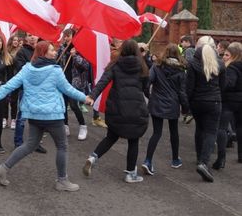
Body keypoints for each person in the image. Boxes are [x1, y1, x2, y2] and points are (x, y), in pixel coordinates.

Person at [0, 41, 93, 192]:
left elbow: (10, 84)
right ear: (44, 52)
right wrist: (85, 98)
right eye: (52, 50)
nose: (55, 52)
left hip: (34, 115)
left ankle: (3, 168)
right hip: (52, 116)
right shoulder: (55, 70)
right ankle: (62, 181)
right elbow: (68, 89)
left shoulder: (27, 69)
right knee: (62, 146)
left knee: (29, 145)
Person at [82, 40, 150, 183]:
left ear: (122, 50)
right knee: (133, 140)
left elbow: (102, 82)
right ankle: (131, 174)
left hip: (117, 106)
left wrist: (92, 96)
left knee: (111, 137)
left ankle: (93, 157)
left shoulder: (115, 65)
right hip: (136, 107)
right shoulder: (142, 66)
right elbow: (145, 88)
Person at [141, 43, 189, 175]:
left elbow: (147, 83)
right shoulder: (181, 71)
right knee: (174, 132)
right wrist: (185, 108)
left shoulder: (156, 67)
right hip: (172, 104)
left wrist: (149, 96)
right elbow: (182, 92)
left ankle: (148, 160)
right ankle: (175, 160)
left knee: (156, 133)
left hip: (157, 102)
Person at [186, 36, 225, 182]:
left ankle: (199, 159)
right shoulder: (220, 65)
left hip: (197, 102)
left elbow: (189, 87)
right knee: (211, 132)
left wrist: (187, 105)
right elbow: (223, 86)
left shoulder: (193, 65)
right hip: (214, 102)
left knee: (200, 130)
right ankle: (204, 162)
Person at [13, 32, 47, 153]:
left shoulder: (43, 51)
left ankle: (35, 143)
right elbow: (22, 70)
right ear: (26, 38)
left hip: (40, 90)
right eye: (29, 34)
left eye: (34, 34)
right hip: (26, 89)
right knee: (22, 117)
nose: (32, 36)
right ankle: (18, 142)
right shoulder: (22, 52)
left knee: (38, 118)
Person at [58, 28, 87, 139]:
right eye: (64, 36)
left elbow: (86, 66)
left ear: (74, 37)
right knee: (63, 105)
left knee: (74, 105)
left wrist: (75, 55)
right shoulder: (62, 48)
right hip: (63, 80)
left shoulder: (80, 49)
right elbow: (58, 61)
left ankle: (83, 126)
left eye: (68, 36)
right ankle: (65, 126)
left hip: (74, 82)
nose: (65, 38)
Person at [220, 42, 242, 165]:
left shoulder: (232, 68)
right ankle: (241, 155)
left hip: (229, 101)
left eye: (226, 54)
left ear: (233, 55)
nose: (223, 56)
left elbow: (229, 84)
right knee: (240, 127)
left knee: (222, 128)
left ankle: (221, 157)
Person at [6, 35, 21, 129]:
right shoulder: (6, 51)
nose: (16, 41)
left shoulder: (20, 51)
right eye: (14, 40)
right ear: (11, 41)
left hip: (15, 78)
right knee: (5, 100)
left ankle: (13, 119)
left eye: (17, 40)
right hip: (6, 77)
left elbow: (19, 64)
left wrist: (12, 58)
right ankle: (4, 118)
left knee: (14, 100)